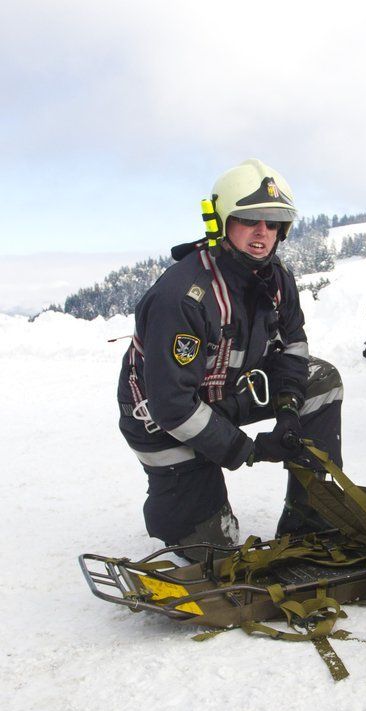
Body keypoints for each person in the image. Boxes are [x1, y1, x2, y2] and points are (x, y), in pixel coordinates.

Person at [116, 159, 343, 557]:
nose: (262, 232)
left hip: (228, 393)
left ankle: (310, 517)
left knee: (321, 380)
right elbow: (172, 407)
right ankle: (186, 506)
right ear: (221, 222)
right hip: (164, 422)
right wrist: (247, 450)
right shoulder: (183, 297)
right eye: (249, 219)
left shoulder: (277, 278)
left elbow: (293, 345)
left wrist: (289, 409)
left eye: (273, 223)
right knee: (212, 551)